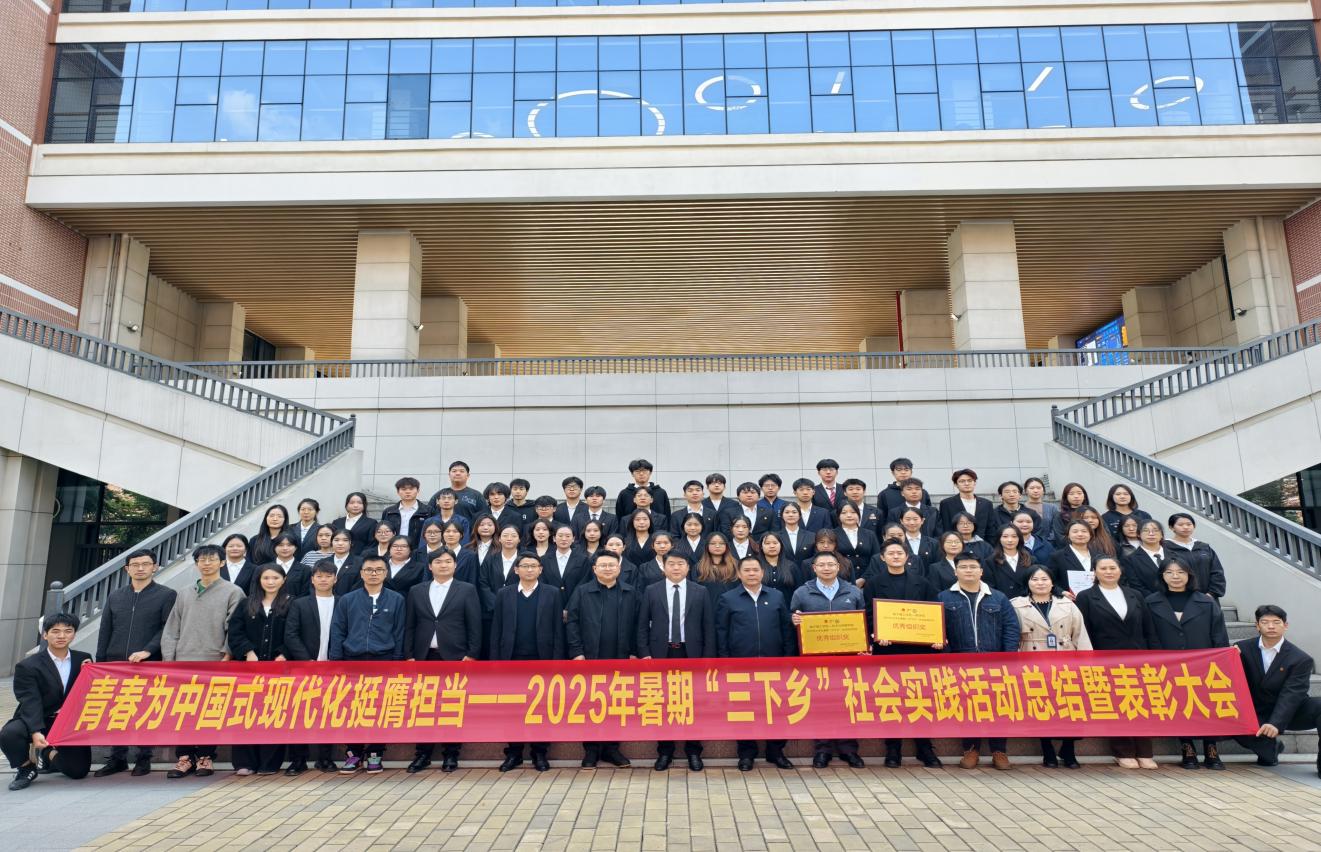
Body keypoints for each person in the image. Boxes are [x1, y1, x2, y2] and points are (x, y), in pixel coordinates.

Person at [161, 544, 246, 779]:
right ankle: (184, 757)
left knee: (210, 712)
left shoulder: (233, 591)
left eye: (212, 559)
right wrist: (169, 658)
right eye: (202, 560)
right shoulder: (184, 593)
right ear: (197, 563)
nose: (206, 564)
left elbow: (235, 628)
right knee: (184, 712)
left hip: (214, 662)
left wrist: (227, 654)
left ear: (222, 562)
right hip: (184, 662)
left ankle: (206, 757)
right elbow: (172, 628)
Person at [92, 548, 177, 778]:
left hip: (147, 664)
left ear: (154, 567)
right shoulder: (115, 596)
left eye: (146, 564)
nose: (140, 568)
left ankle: (143, 758)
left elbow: (167, 629)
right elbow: (105, 630)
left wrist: (148, 650)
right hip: (116, 664)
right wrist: (101, 663)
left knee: (144, 711)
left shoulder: (167, 595)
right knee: (117, 711)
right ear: (127, 569)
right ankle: (117, 758)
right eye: (135, 564)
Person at [1074, 555, 1159, 769]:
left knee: (1141, 705)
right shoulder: (1086, 597)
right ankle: (1123, 752)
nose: (1109, 572)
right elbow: (1085, 632)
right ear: (1095, 572)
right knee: (1116, 705)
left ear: (1120, 570)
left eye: (1112, 568)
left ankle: (1145, 752)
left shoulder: (1135, 594)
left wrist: (1154, 656)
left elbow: (1148, 628)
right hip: (1105, 659)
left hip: (1138, 658)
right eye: (1103, 568)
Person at [1145, 556, 1229, 770]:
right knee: (1179, 705)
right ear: (1162, 576)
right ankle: (1187, 749)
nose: (1175, 577)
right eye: (1169, 572)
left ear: (1189, 575)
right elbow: (1150, 635)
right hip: (1168, 665)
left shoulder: (1206, 601)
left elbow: (1219, 634)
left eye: (1180, 572)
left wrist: (1220, 660)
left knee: (1207, 706)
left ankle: (1211, 749)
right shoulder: (1151, 602)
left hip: (1204, 664)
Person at [864, 539, 943, 768]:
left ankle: (924, 748)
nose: (896, 556)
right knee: (892, 700)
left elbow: (933, 614)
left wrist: (934, 636)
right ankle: (893, 749)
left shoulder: (923, 583)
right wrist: (877, 634)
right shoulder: (874, 583)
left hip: (918, 651)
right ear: (882, 557)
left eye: (900, 553)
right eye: (891, 553)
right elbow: (868, 614)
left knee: (920, 699)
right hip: (888, 650)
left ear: (907, 557)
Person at [938, 552, 1020, 770]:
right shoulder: (943, 598)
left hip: (994, 662)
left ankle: (999, 751)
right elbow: (938, 630)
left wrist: (1008, 657)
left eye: (973, 567)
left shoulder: (998, 597)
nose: (968, 570)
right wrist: (947, 657)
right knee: (967, 707)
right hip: (961, 663)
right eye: (963, 567)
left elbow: (1011, 628)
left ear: (981, 571)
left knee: (998, 707)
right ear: (955, 571)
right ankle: (971, 750)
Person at [404, 550, 483, 774]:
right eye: (438, 562)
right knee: (423, 706)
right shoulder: (417, 590)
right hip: (425, 656)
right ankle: (423, 754)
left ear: (455, 565)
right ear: (430, 566)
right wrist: (409, 655)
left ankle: (451, 754)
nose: (444, 565)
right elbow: (410, 625)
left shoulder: (466, 589)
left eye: (448, 561)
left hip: (455, 657)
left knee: (451, 706)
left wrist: (472, 654)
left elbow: (475, 625)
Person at [638, 552, 716, 772]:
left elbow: (708, 627)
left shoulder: (700, 591)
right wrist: (644, 653)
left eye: (680, 564)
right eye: (671, 564)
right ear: (663, 567)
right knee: (663, 703)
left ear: (688, 567)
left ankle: (694, 751)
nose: (675, 568)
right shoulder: (651, 590)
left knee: (693, 703)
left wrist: (707, 657)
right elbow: (642, 625)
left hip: (691, 654)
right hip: (661, 654)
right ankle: (665, 751)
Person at [329, 555, 406, 775]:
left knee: (380, 708)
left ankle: (375, 753)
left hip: (384, 660)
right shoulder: (348, 599)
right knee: (352, 709)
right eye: (369, 570)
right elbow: (338, 630)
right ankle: (353, 753)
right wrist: (336, 661)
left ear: (386, 573)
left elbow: (399, 632)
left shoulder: (396, 599)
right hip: (352, 661)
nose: (374, 573)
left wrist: (397, 662)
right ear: (361, 573)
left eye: (379, 570)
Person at [716, 557, 795, 771]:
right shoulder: (728, 598)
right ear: (739, 574)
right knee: (744, 710)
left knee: (776, 709)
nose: (751, 574)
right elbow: (721, 632)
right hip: (740, 665)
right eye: (747, 570)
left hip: (773, 663)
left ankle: (775, 752)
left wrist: (788, 658)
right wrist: (725, 662)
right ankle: (746, 753)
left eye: (755, 570)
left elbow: (786, 630)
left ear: (762, 573)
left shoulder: (777, 596)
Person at [790, 552, 867, 769]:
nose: (826, 568)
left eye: (831, 564)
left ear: (838, 567)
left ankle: (848, 749)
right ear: (814, 568)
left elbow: (863, 620)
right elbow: (792, 618)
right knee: (821, 704)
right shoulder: (802, 592)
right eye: (821, 565)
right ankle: (822, 750)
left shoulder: (853, 591)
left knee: (847, 702)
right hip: (816, 659)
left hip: (846, 659)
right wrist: (793, 619)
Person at [566, 552, 642, 768]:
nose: (607, 569)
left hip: (621, 657)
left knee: (616, 703)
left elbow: (639, 625)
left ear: (619, 568)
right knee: (590, 703)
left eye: (611, 565)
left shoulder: (631, 592)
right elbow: (572, 622)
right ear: (594, 569)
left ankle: (611, 748)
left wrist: (634, 651)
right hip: (590, 657)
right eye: (603, 565)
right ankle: (591, 749)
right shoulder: (582, 592)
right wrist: (577, 652)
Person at [491, 552, 565, 772]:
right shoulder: (504, 594)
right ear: (516, 570)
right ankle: (514, 753)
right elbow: (496, 629)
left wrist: (557, 661)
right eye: (525, 566)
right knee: (512, 709)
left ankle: (539, 752)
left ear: (540, 569)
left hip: (542, 660)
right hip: (511, 661)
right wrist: (496, 662)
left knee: (541, 708)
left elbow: (558, 630)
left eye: (534, 566)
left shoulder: (552, 593)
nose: (529, 569)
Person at [1011, 566, 1090, 768]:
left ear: (1052, 582)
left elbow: (1080, 635)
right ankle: (1047, 751)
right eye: (1035, 579)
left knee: (1070, 706)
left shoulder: (1068, 604)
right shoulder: (1016, 605)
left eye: (1044, 579)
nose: (1040, 583)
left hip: (1066, 658)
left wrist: (1086, 663)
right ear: (1028, 582)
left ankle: (1069, 750)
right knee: (1041, 707)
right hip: (1032, 660)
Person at [3, 613, 92, 791]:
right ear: (45, 635)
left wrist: (88, 674)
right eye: (55, 631)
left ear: (74, 634)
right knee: (9, 734)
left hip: (67, 721)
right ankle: (26, 768)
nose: (62, 636)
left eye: (68, 631)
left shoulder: (83, 658)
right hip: (38, 717)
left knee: (78, 771)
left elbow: (88, 691)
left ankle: (45, 752)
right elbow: (30, 701)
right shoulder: (28, 665)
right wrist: (35, 731)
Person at [1232, 605, 1321, 778]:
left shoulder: (1301, 658)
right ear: (1257, 626)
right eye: (1265, 622)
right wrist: (1231, 656)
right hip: (1255, 710)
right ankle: (1271, 748)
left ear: (1285, 625)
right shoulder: (1241, 649)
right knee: (1235, 721)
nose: (1271, 626)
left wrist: (1276, 723)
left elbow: (1292, 693)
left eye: (1276, 622)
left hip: (1291, 711)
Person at [228, 565, 291, 776]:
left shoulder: (291, 604)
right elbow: (235, 632)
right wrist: (247, 651)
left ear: (283, 580)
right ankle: (244, 762)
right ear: (259, 580)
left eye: (275, 578)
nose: (270, 582)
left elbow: (295, 632)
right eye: (266, 578)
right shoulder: (246, 604)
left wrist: (284, 653)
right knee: (245, 714)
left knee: (273, 714)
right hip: (248, 671)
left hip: (278, 670)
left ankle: (269, 763)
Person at [284, 561, 339, 774]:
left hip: (333, 668)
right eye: (319, 576)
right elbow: (291, 634)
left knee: (329, 714)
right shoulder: (300, 604)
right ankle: (298, 759)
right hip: (304, 668)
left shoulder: (343, 602)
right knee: (299, 714)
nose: (323, 580)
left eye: (328, 576)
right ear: (312, 579)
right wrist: (307, 660)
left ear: (335, 579)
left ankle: (325, 758)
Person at [1165, 513, 1227, 599]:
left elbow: (1217, 571)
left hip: (1208, 598)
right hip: (1180, 598)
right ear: (1171, 527)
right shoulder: (1165, 547)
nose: (1185, 527)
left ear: (1194, 526)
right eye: (1180, 525)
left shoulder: (1204, 547)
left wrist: (1212, 594)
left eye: (1189, 524)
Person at [938, 469, 995, 539]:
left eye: (970, 480)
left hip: (982, 543)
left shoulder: (986, 504)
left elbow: (991, 529)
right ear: (956, 484)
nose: (967, 483)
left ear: (975, 483)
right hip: (957, 543)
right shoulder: (946, 504)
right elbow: (946, 527)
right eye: (962, 481)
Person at [1047, 520, 1096, 595]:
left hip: (1096, 598)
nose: (1080, 534)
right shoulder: (1057, 557)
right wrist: (1061, 592)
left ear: (1090, 535)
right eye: (1075, 531)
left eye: (1084, 531)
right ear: (1068, 535)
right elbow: (1049, 581)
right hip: (1069, 599)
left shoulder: (1098, 556)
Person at [1121, 519, 1167, 597]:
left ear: (1161, 534)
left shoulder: (1175, 554)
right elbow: (1136, 586)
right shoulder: (1130, 560)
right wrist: (1157, 600)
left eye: (1155, 530)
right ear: (1138, 534)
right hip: (1151, 601)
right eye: (1146, 531)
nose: (1151, 534)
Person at [982, 525, 1032, 596]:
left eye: (1014, 536)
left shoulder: (1030, 559)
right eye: (1005, 536)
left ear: (1019, 538)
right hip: (1002, 601)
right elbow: (989, 587)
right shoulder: (990, 562)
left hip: (1027, 601)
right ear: (999, 539)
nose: (1010, 540)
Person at [833, 503, 879, 580]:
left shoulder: (869, 534)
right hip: (841, 579)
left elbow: (876, 558)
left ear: (858, 514)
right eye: (844, 513)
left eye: (853, 512)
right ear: (838, 516)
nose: (849, 515)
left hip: (868, 580)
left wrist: (864, 579)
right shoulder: (832, 534)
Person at [383, 476, 429, 548]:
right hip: (394, 549)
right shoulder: (389, 511)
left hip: (418, 549)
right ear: (398, 492)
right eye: (403, 489)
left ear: (418, 490)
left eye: (411, 489)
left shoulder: (428, 511)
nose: (408, 491)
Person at [757, 532, 799, 597]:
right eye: (767, 543)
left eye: (775, 543)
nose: (772, 546)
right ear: (761, 547)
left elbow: (799, 589)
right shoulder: (756, 566)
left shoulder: (791, 566)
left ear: (781, 545)